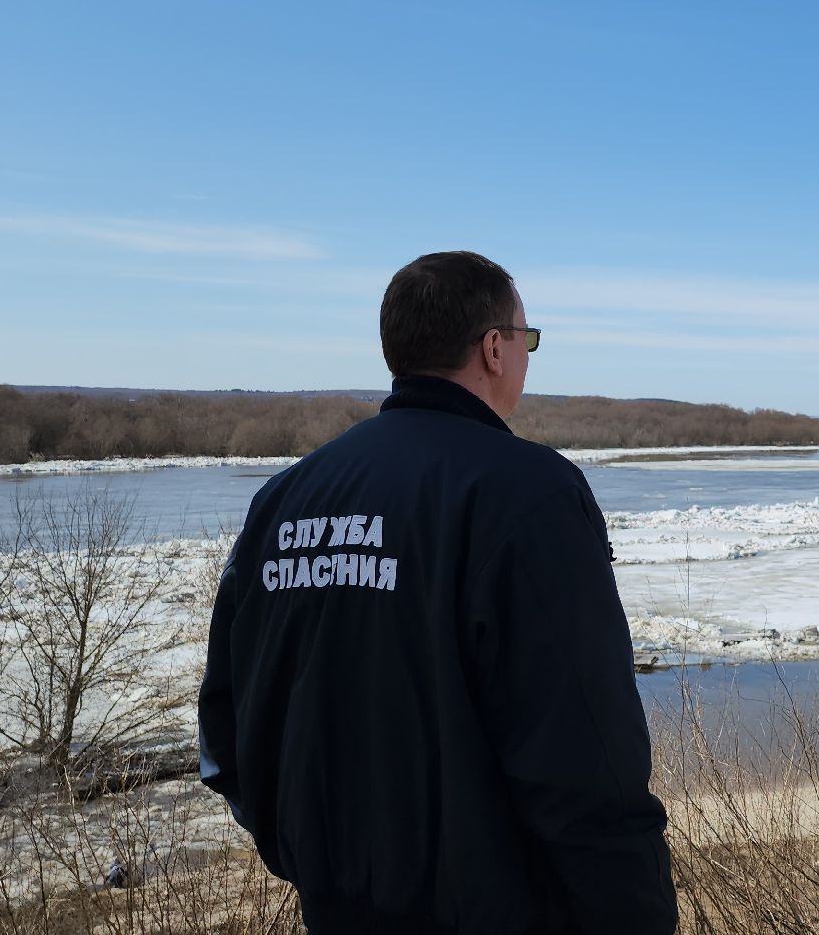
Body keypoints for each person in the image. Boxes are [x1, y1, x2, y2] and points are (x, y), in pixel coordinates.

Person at [197, 251, 676, 934]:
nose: (527, 357)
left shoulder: (286, 498)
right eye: (527, 339)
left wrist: (315, 854)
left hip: (335, 911)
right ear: (493, 349)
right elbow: (585, 754)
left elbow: (225, 727)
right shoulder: (527, 494)